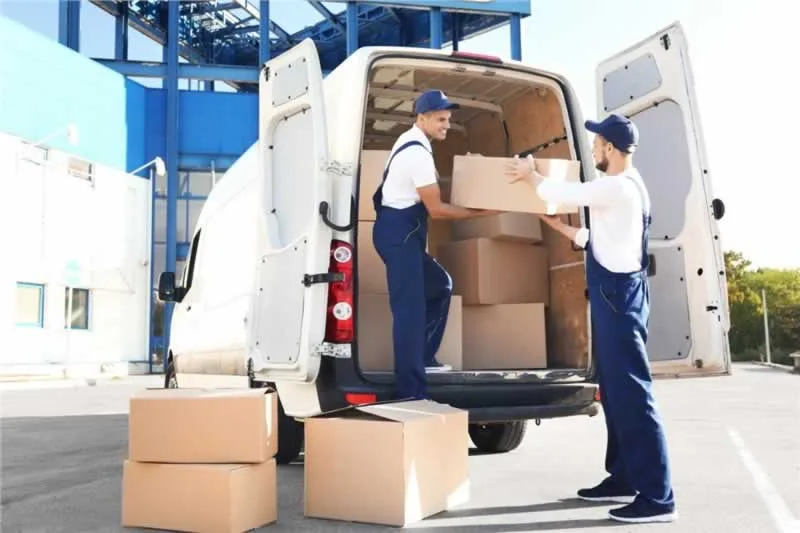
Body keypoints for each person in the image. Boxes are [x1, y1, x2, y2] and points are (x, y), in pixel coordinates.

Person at [505, 113, 677, 524]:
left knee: (633, 394)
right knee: (614, 392)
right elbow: (601, 238)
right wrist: (562, 232)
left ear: (611, 150)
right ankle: (623, 477)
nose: (594, 149)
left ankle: (658, 497)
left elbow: (558, 192)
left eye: (598, 144)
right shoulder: (626, 187)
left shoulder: (615, 186)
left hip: (618, 297)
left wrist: (529, 174)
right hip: (618, 294)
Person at [371, 89, 493, 400]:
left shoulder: (413, 141)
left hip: (399, 233)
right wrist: (483, 212)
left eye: (448, 120)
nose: (446, 125)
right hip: (400, 236)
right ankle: (410, 391)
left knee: (439, 286)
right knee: (409, 311)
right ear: (421, 117)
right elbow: (437, 209)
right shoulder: (417, 154)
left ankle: (423, 356)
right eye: (440, 119)